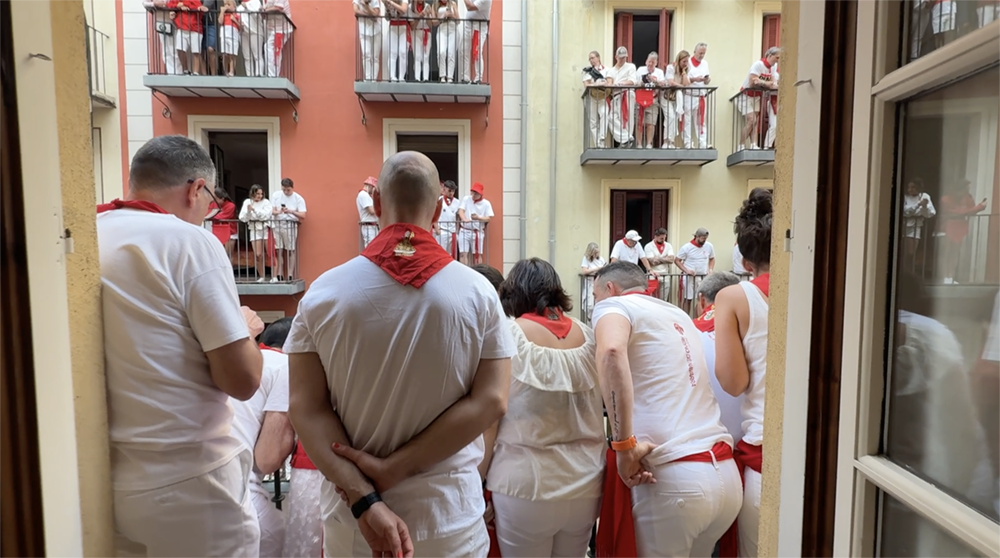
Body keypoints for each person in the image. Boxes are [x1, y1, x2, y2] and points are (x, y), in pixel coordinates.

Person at [286, 151, 516, 558]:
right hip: (448, 518)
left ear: (375, 204)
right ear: (442, 207)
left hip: (356, 522)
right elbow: (493, 400)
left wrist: (365, 499)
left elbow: (305, 409)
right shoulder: (479, 293)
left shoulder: (322, 292)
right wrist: (399, 468)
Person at [97, 135, 264, 557]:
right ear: (194, 189)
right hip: (190, 480)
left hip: (109, 478)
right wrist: (245, 329)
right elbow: (242, 380)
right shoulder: (190, 243)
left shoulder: (86, 234)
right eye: (209, 199)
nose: (208, 211)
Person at [591, 261, 742, 558]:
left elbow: (610, 351)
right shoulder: (678, 314)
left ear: (610, 289)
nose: (595, 303)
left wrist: (622, 446)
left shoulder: (614, 306)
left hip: (673, 478)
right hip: (723, 473)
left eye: (595, 295)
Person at [480, 258, 605, 558]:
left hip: (525, 484)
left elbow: (490, 420)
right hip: (585, 483)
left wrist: (478, 481)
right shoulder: (590, 335)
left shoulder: (508, 334)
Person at [713, 188, 773, 558]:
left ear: (745, 258)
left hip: (765, 453)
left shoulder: (734, 298)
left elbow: (734, 383)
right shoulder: (826, 287)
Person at [231, 318, 296, 558]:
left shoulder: (245, 364)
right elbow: (268, 459)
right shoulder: (287, 366)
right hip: (237, 486)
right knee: (280, 538)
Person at [692, 272, 746, 442]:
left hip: (703, 442)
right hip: (749, 436)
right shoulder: (753, 331)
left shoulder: (686, 333)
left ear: (701, 300)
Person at [937, 179, 986, 284]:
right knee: (946, 253)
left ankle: (950, 277)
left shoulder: (968, 198)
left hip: (960, 227)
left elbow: (970, 211)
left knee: (955, 253)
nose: (967, 191)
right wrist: (978, 208)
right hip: (947, 227)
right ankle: (944, 277)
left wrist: (977, 208)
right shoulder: (946, 199)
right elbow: (956, 212)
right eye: (965, 189)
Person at [738, 47, 780, 151]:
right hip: (746, 95)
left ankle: (754, 144)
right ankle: (741, 145)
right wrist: (766, 83)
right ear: (769, 56)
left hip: (756, 96)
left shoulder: (773, 67)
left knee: (755, 122)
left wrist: (763, 82)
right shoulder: (758, 64)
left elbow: (772, 84)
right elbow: (752, 82)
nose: (777, 60)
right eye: (776, 57)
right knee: (751, 119)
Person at [270, 178, 306, 282]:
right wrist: (279, 211)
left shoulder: (298, 198)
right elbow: (272, 211)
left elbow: (303, 215)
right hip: (278, 224)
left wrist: (290, 211)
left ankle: (290, 274)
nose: (286, 192)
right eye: (284, 189)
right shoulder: (276, 195)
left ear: (292, 188)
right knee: (279, 250)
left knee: (291, 250)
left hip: (290, 225)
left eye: (288, 190)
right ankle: (280, 274)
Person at [675, 227, 716, 314]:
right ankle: (686, 318)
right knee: (688, 298)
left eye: (705, 238)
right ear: (697, 236)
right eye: (702, 238)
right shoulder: (687, 247)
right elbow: (677, 260)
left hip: (702, 277)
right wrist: (686, 270)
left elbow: (712, 258)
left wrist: (710, 269)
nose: (704, 240)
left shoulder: (709, 246)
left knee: (701, 299)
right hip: (689, 277)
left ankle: (698, 319)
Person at [901, 177, 936, 274]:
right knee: (906, 251)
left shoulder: (924, 196)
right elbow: (905, 211)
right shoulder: (905, 197)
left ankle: (909, 271)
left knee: (912, 252)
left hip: (917, 226)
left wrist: (924, 207)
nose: (910, 190)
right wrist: (918, 205)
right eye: (909, 187)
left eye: (913, 187)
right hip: (905, 226)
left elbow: (930, 213)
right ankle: (904, 270)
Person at [240, 184, 273, 283]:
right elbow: (242, 218)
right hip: (254, 229)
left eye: (261, 194)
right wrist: (249, 213)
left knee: (270, 253)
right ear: (253, 193)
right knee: (258, 254)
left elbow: (265, 216)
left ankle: (274, 276)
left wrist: (254, 210)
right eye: (258, 193)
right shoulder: (247, 202)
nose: (260, 196)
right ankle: (261, 276)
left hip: (265, 228)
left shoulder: (266, 202)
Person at [458, 181, 494, 265]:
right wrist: (464, 219)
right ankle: (464, 271)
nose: (473, 195)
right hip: (464, 230)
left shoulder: (486, 204)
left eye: (476, 193)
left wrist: (478, 218)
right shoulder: (466, 199)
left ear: (481, 194)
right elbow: (461, 211)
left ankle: (479, 271)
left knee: (477, 255)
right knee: (463, 253)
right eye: (473, 192)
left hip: (477, 232)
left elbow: (489, 218)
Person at [607, 46, 637, 148]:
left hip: (627, 93)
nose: (623, 59)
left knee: (627, 118)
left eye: (624, 57)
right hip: (615, 96)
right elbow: (609, 83)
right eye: (620, 57)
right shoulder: (611, 70)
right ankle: (627, 138)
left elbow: (632, 81)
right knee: (611, 118)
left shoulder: (631, 66)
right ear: (616, 57)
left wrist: (620, 83)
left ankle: (626, 142)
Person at [168, 0, 207, 75]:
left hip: (195, 28)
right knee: (180, 49)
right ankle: (185, 70)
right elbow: (170, 4)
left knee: (196, 51)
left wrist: (184, 4)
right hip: (181, 27)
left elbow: (198, 7)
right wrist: (178, 6)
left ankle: (195, 72)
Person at [635, 52, 665, 150]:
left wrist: (654, 81)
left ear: (656, 63)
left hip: (653, 100)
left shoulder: (659, 72)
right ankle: (639, 144)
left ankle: (649, 144)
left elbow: (663, 84)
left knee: (651, 123)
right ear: (646, 61)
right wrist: (643, 82)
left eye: (652, 62)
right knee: (639, 122)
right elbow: (635, 82)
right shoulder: (640, 70)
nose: (650, 64)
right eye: (649, 61)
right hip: (640, 99)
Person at [662, 50, 691, 149]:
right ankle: (666, 141)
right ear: (679, 60)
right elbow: (670, 82)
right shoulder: (671, 67)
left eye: (687, 61)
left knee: (674, 119)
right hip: (666, 96)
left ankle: (672, 142)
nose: (685, 63)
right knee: (670, 117)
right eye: (684, 61)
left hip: (677, 98)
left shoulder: (686, 69)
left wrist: (684, 73)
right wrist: (681, 86)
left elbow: (687, 84)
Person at [582, 51, 611, 148]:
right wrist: (597, 84)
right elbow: (586, 84)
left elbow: (609, 83)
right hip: (592, 97)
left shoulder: (607, 70)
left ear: (598, 57)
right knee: (593, 122)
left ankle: (602, 137)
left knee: (605, 114)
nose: (591, 60)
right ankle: (599, 145)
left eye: (592, 58)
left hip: (603, 97)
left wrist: (598, 83)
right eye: (589, 59)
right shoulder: (588, 71)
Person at [144, 0, 181, 75]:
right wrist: (155, 3)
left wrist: (167, 5)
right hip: (161, 22)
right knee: (166, 51)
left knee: (174, 50)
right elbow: (145, 3)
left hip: (175, 23)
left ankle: (178, 73)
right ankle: (171, 73)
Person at [687, 42, 712, 148]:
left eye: (703, 54)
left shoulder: (705, 64)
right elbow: (684, 79)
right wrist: (695, 79)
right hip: (689, 95)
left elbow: (707, 81)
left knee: (701, 122)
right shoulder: (687, 62)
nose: (701, 56)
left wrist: (707, 79)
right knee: (687, 120)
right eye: (700, 53)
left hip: (701, 96)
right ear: (694, 52)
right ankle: (688, 143)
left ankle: (703, 143)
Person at [461, 0, 491, 84]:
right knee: (464, 50)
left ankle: (478, 78)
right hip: (469, 24)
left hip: (479, 26)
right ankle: (465, 77)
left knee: (477, 52)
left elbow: (470, 7)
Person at [263, 0, 293, 78]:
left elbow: (278, 8)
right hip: (275, 28)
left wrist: (265, 10)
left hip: (281, 28)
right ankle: (273, 74)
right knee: (275, 50)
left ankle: (273, 75)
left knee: (272, 49)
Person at [355, 0, 382, 81]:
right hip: (363, 29)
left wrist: (366, 6)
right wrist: (370, 14)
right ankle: (367, 78)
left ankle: (374, 79)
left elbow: (376, 13)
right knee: (366, 54)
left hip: (376, 30)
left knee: (375, 57)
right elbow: (356, 11)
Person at [209, 186, 238, 259]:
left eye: (216, 198)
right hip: (217, 232)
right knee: (217, 255)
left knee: (227, 255)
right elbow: (207, 213)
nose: (214, 200)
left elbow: (219, 217)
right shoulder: (214, 204)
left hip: (230, 232)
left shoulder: (231, 205)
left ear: (222, 198)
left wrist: (212, 215)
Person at [434, 180, 461, 257]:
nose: (451, 193)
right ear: (444, 189)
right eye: (449, 190)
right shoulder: (439, 200)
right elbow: (434, 215)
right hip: (442, 230)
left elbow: (458, 217)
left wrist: (457, 230)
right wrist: (436, 228)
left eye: (453, 191)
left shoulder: (457, 202)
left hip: (452, 231)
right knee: (441, 252)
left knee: (451, 254)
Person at [385, 0, 410, 81]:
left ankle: (401, 77)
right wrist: (387, 9)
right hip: (393, 26)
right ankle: (392, 76)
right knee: (392, 52)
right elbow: (387, 18)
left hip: (403, 26)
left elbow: (403, 10)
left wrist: (392, 3)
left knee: (403, 52)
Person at [581, 242, 606, 322]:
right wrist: (597, 269)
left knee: (599, 303)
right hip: (590, 284)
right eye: (595, 253)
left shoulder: (601, 259)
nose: (596, 254)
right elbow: (584, 271)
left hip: (599, 283)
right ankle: (590, 320)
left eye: (597, 252)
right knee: (590, 305)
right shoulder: (586, 259)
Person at [238, 0, 265, 77]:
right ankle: (249, 75)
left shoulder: (256, 2)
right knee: (247, 57)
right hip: (243, 33)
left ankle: (258, 74)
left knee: (257, 55)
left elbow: (256, 15)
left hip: (255, 31)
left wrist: (246, 6)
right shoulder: (239, 7)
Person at [435, 0, 459, 82]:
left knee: (451, 53)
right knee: (441, 52)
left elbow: (458, 20)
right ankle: (442, 75)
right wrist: (442, 17)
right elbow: (433, 22)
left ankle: (450, 77)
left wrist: (451, 15)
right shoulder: (435, 5)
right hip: (442, 28)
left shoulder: (453, 3)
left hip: (452, 27)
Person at [409, 0, 433, 82]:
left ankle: (426, 78)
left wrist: (428, 15)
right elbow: (412, 26)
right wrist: (419, 17)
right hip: (415, 32)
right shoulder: (410, 7)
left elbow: (430, 25)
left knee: (426, 57)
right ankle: (417, 78)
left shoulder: (427, 6)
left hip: (426, 32)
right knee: (417, 56)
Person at [219, 0, 242, 76]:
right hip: (224, 34)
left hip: (233, 35)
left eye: (228, 4)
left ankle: (231, 71)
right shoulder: (224, 14)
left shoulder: (237, 15)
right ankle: (225, 71)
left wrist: (234, 20)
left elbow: (241, 27)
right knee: (225, 54)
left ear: (234, 7)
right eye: (225, 4)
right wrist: (222, 12)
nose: (226, 6)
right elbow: (220, 21)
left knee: (232, 54)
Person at [357, 176, 380, 248]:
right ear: (370, 186)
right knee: (371, 247)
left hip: (371, 226)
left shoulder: (365, 195)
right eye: (373, 188)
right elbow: (372, 211)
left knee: (373, 247)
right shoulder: (363, 195)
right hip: (369, 227)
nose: (373, 190)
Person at [201, 0, 220, 75]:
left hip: (210, 24)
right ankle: (204, 74)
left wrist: (196, 6)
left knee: (210, 49)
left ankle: (213, 74)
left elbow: (206, 5)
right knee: (200, 51)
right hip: (198, 23)